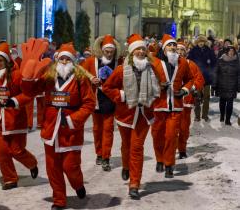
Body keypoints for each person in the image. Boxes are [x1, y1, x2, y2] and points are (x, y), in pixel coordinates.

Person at [21, 40, 95, 210]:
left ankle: (78, 185)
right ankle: (59, 199)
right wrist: (27, 75)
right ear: (57, 60)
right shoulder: (48, 77)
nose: (64, 62)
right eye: (61, 59)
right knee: (53, 168)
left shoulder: (80, 80)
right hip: (51, 129)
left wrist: (73, 120)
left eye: (67, 60)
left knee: (70, 167)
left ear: (73, 62)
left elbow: (89, 103)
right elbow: (30, 91)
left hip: (71, 130)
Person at [102, 34, 160, 199]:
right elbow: (107, 87)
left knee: (137, 148)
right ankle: (126, 166)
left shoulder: (151, 68)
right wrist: (121, 95)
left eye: (143, 49)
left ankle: (134, 183)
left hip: (144, 115)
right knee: (126, 146)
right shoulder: (121, 69)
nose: (141, 52)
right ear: (131, 52)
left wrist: (153, 97)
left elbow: (158, 89)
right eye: (138, 49)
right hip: (125, 114)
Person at [0, 42, 38, 190]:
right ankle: (10, 179)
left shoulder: (16, 75)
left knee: (17, 150)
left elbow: (27, 94)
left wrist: (15, 101)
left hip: (15, 119)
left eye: (1, 60)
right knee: (1, 152)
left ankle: (31, 163)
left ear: (7, 60)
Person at [151, 34, 194, 178]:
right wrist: (158, 86)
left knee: (171, 136)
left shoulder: (182, 63)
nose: (173, 47)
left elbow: (190, 79)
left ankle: (169, 164)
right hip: (158, 106)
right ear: (164, 48)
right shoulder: (154, 62)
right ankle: (159, 159)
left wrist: (184, 90)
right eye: (170, 45)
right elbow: (146, 82)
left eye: (174, 45)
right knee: (157, 135)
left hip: (175, 106)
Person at [82, 35, 119, 171]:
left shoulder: (118, 62)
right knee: (97, 129)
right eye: (106, 51)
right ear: (102, 50)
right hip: (96, 99)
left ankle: (106, 157)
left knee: (108, 130)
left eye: (111, 52)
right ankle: (99, 153)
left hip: (110, 100)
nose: (109, 54)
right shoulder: (92, 61)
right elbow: (80, 71)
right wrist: (91, 78)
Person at [176, 42, 205, 159]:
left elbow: (200, 79)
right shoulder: (168, 64)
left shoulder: (191, 64)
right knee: (171, 128)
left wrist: (191, 88)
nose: (179, 52)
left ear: (185, 52)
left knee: (183, 127)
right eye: (177, 50)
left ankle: (182, 149)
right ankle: (170, 148)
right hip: (171, 102)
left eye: (181, 50)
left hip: (186, 102)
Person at [187, 35, 216, 122]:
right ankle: (197, 115)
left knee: (206, 97)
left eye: (202, 41)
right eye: (199, 41)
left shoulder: (209, 50)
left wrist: (211, 70)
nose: (201, 43)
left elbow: (214, 62)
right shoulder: (193, 51)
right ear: (197, 42)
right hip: (197, 78)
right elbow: (189, 62)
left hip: (207, 78)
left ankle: (205, 115)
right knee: (197, 97)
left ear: (205, 42)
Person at [214, 45, 240, 125]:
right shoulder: (220, 60)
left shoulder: (237, 61)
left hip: (232, 85)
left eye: (233, 51)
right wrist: (215, 84)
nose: (231, 52)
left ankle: (227, 120)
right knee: (222, 102)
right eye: (230, 51)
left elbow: (239, 74)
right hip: (222, 84)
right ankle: (222, 115)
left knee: (230, 103)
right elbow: (216, 73)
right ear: (227, 51)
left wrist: (238, 85)